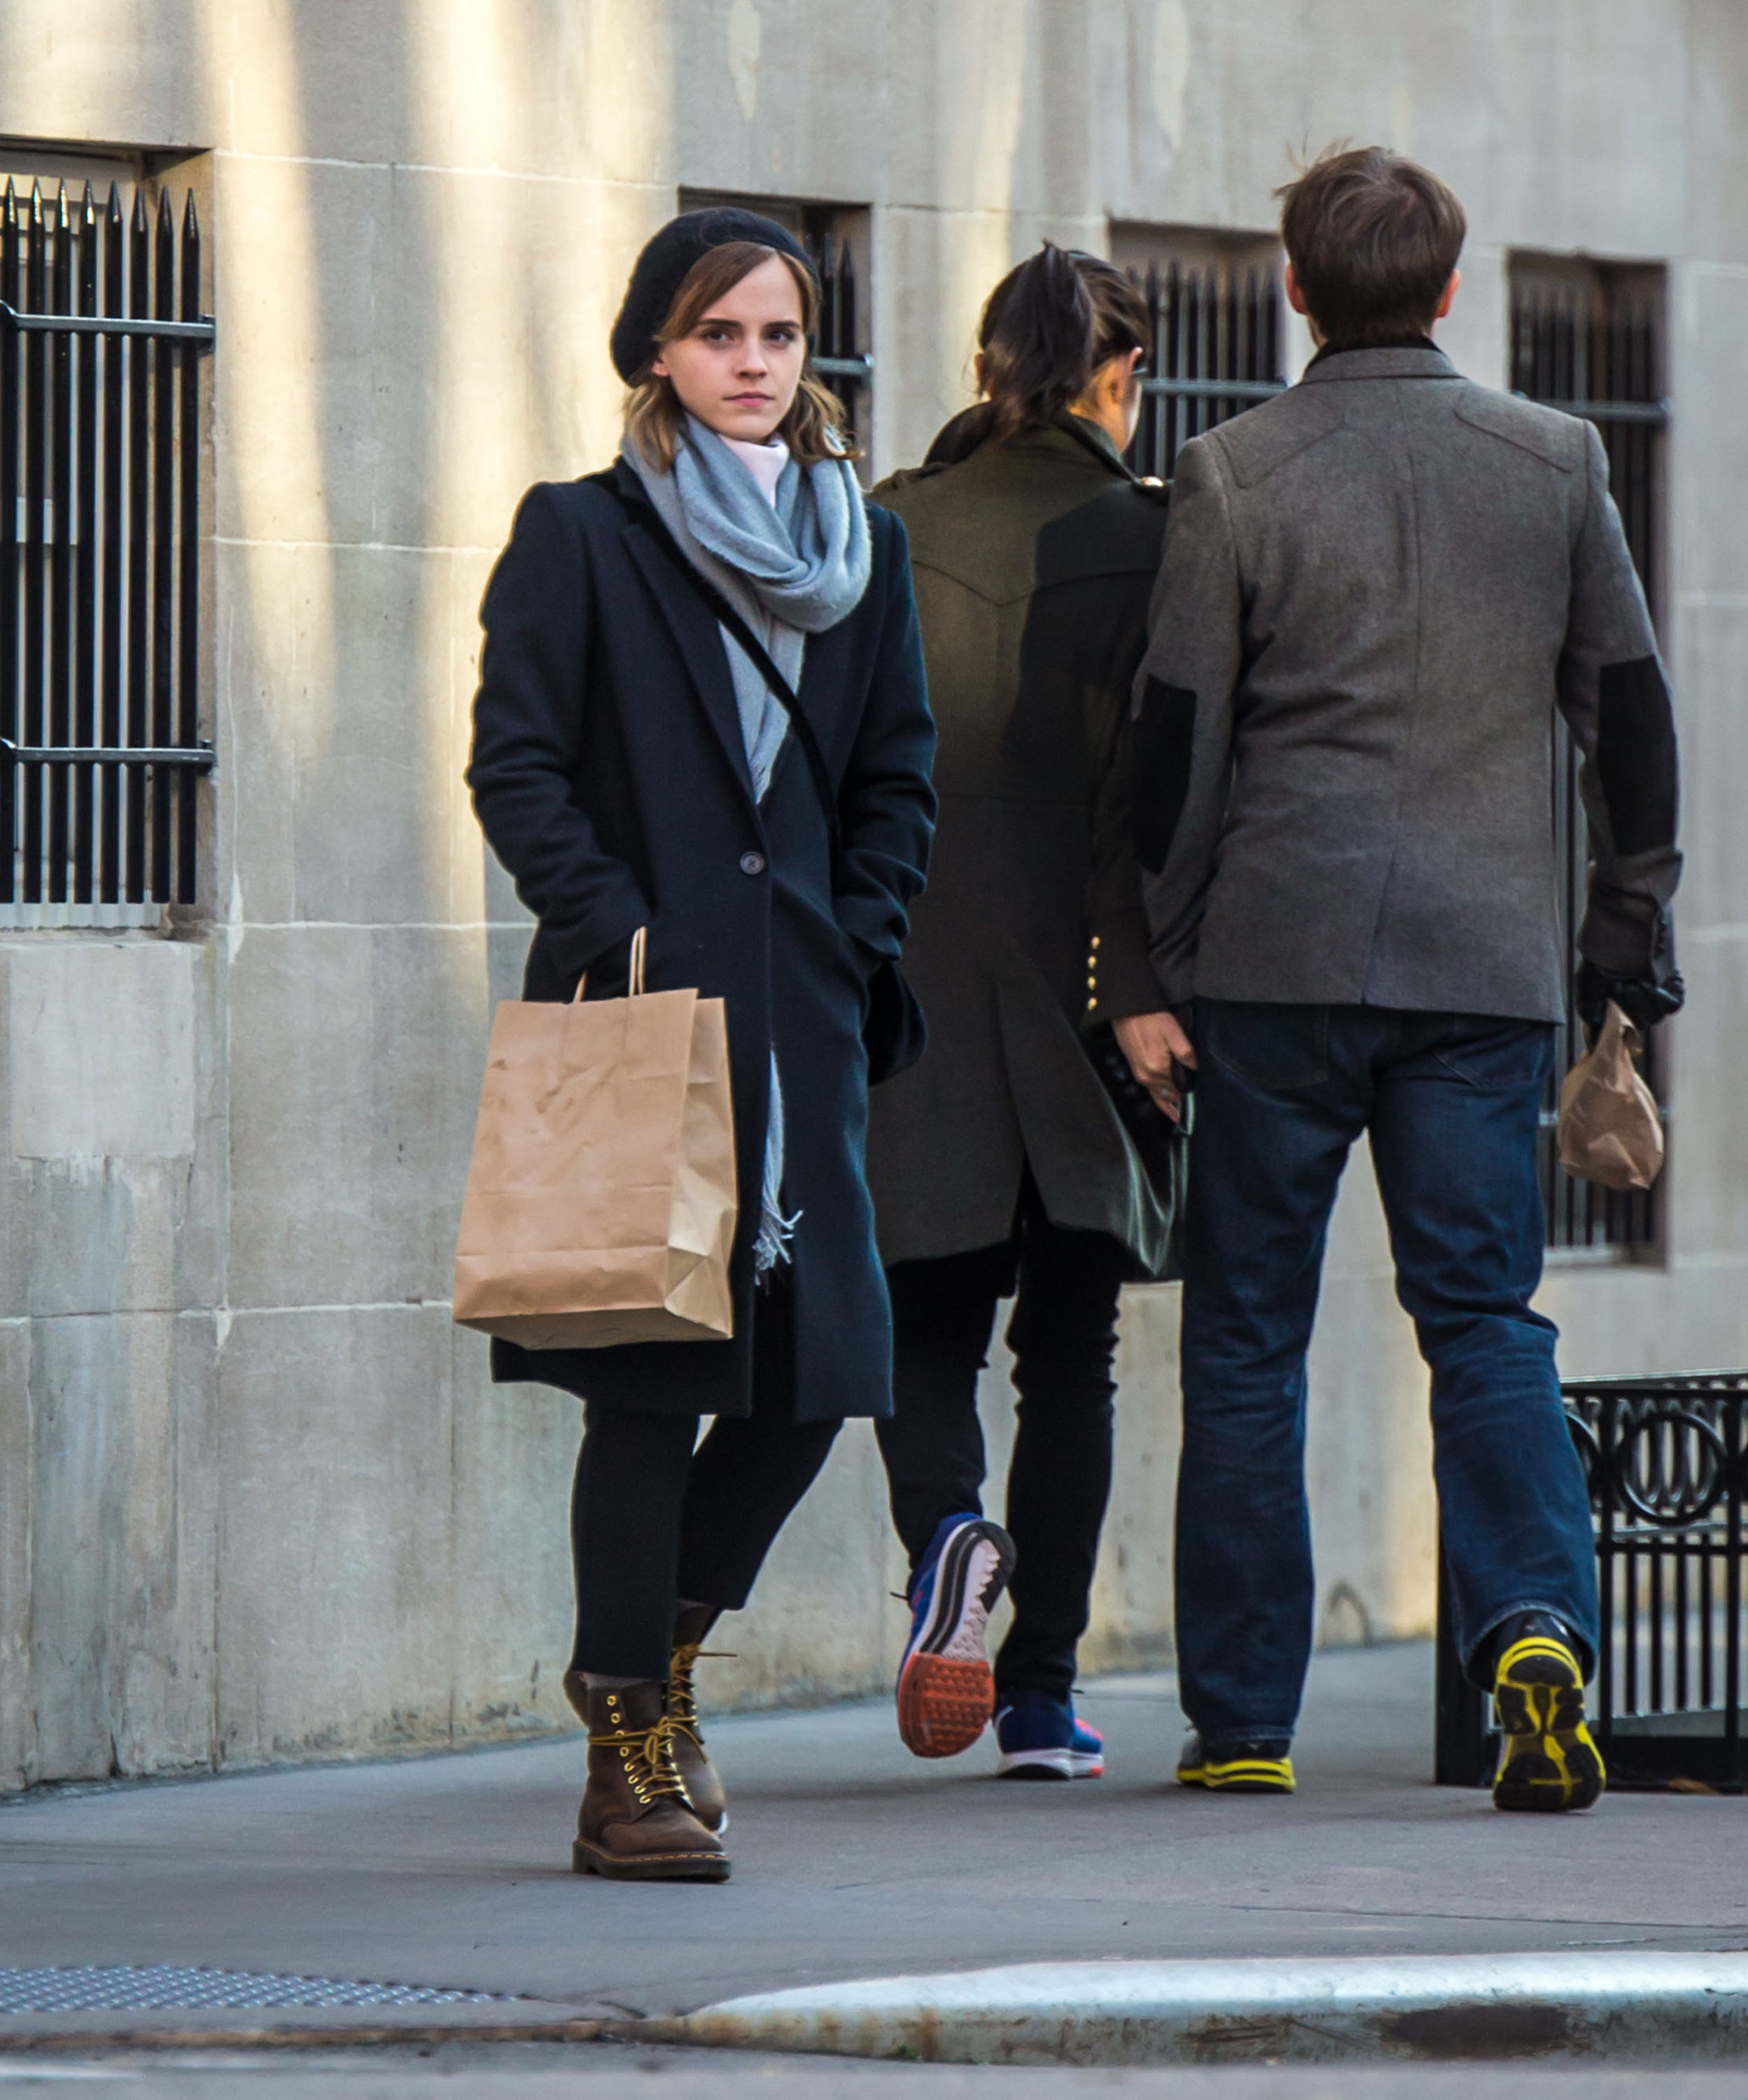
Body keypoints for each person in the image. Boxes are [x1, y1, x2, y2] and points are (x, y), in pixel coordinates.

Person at [1130, 146, 1683, 1810]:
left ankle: (1243, 1722)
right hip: (1481, 967)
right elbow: (1631, 718)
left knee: (1246, 1335)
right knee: (1485, 1316)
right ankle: (1535, 1631)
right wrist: (1625, 928)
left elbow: (1176, 747)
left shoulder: (1229, 470)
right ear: (1449, 287)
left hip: (1275, 960)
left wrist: (1157, 957)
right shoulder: (1556, 458)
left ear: (1295, 288)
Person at [467, 208, 935, 1881]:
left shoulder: (863, 549)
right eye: (719, 334)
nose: (752, 364)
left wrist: (854, 933)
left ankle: (654, 1662)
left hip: (801, 1019)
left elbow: (897, 776)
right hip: (647, 1009)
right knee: (653, 1386)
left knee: (823, 1377)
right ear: (656, 351)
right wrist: (622, 929)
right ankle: (626, 1760)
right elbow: (515, 764)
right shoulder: (583, 534)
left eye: (778, 335)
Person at [868, 246, 1184, 1781]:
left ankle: (948, 1534)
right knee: (1070, 1356)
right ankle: (1043, 1700)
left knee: (920, 1329)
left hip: (913, 978)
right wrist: (1148, 983)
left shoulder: (887, 523)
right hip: (1088, 989)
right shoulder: (1157, 538)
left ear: (985, 368)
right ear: (1120, 377)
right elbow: (1163, 791)